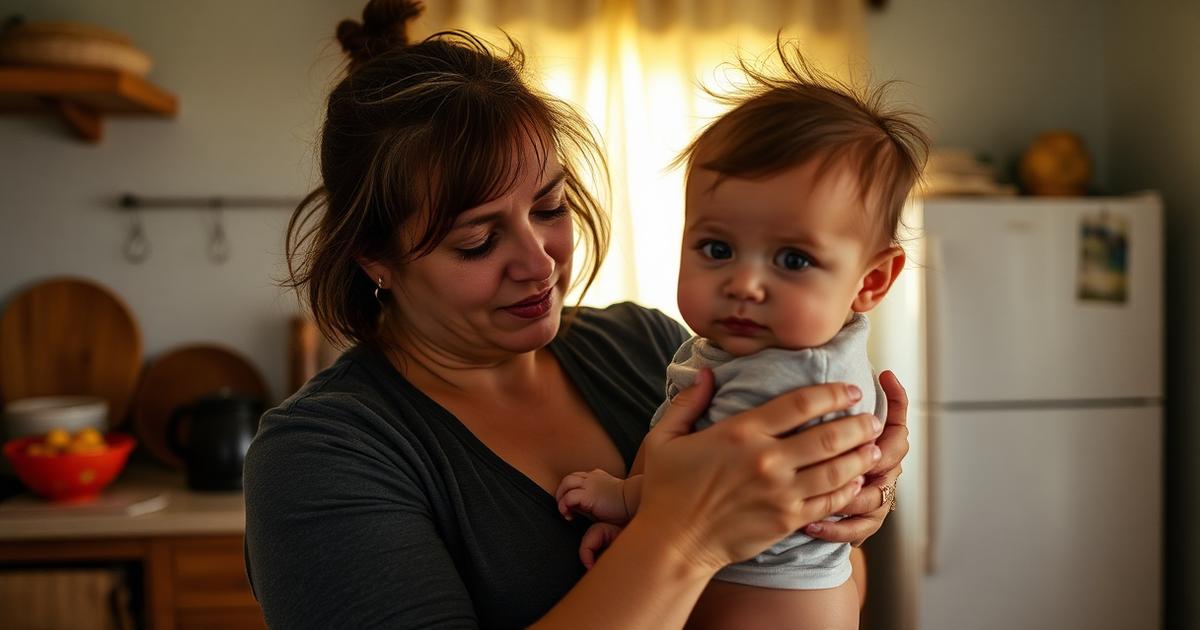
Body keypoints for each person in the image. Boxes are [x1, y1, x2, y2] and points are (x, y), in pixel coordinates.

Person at [243, 1, 909, 628]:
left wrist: (848, 497)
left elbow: (818, 579)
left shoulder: (650, 345)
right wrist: (686, 535)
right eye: (477, 241)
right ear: (374, 258)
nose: (538, 262)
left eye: (549, 208)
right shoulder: (323, 456)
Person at [552, 44, 928, 630]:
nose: (745, 284)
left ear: (870, 280)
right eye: (718, 249)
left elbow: (711, 484)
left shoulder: (787, 375)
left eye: (793, 259)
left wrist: (625, 501)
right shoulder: (769, 346)